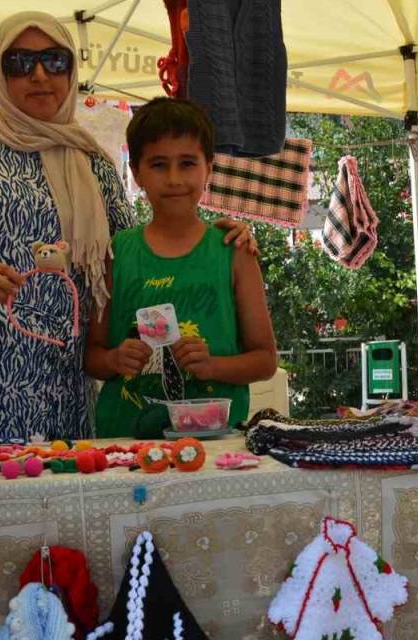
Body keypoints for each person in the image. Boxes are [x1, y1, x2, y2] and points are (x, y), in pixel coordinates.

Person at [0, 13, 254, 447]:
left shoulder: (94, 164)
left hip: (63, 397)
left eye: (55, 61)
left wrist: (213, 236)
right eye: (20, 63)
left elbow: (132, 260)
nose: (40, 75)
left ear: (72, 69)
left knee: (60, 510)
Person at [87, 98, 277, 437]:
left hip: (215, 449)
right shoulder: (114, 254)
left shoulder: (234, 252)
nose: (174, 179)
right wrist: (115, 360)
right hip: (126, 445)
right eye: (159, 164)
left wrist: (213, 366)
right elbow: (91, 357)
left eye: (187, 163)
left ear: (209, 168)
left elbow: (265, 361)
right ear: (136, 173)